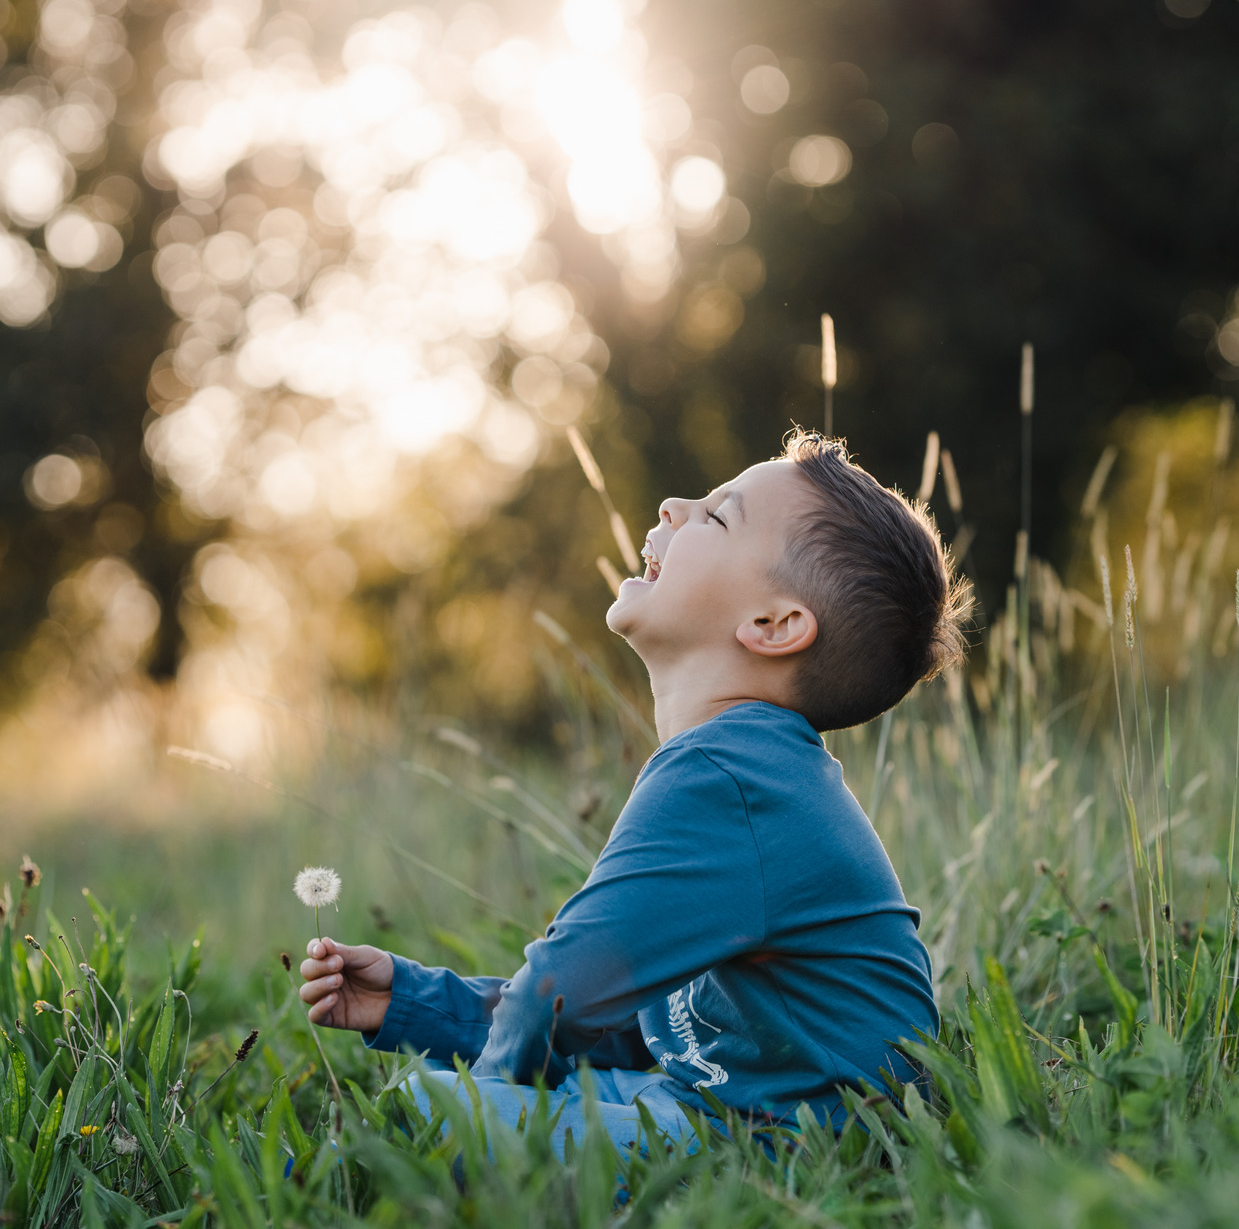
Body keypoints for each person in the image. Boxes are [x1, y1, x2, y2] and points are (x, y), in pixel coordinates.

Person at [299, 429, 967, 1157]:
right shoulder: (747, 770)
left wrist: (485, 1098)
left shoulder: (729, 775)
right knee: (443, 1090)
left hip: (795, 1146)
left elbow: (560, 989)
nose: (674, 505)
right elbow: (635, 1025)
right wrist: (414, 1002)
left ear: (773, 626)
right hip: (711, 1106)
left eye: (715, 516)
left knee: (424, 1111)